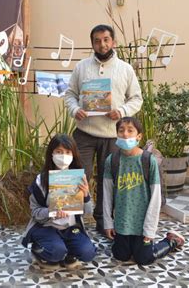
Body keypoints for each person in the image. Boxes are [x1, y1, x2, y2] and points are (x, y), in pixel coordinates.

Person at [64, 24, 143, 235]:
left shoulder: (125, 69)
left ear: (113, 42)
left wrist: (122, 111)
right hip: (85, 134)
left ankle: (103, 220)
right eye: (97, 41)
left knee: (108, 179)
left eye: (106, 39)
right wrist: (75, 109)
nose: (102, 44)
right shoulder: (81, 67)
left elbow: (137, 98)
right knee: (77, 175)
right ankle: (70, 221)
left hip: (113, 136)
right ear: (92, 43)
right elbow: (70, 94)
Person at [102, 117, 185, 265]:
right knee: (120, 255)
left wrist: (149, 230)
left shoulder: (148, 160)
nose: (125, 134)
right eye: (121, 131)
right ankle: (129, 244)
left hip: (142, 224)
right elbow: (107, 194)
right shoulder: (112, 160)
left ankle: (171, 241)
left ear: (139, 136)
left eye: (130, 130)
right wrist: (108, 223)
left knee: (144, 258)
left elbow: (155, 197)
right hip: (122, 223)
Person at [22, 134, 97, 268]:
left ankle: (68, 252)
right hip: (46, 227)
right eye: (59, 152)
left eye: (68, 152)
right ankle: (39, 250)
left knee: (88, 253)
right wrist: (52, 211)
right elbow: (35, 212)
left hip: (70, 227)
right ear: (51, 154)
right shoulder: (41, 180)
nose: (63, 156)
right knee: (56, 252)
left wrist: (86, 195)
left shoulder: (79, 178)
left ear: (73, 155)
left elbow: (88, 212)